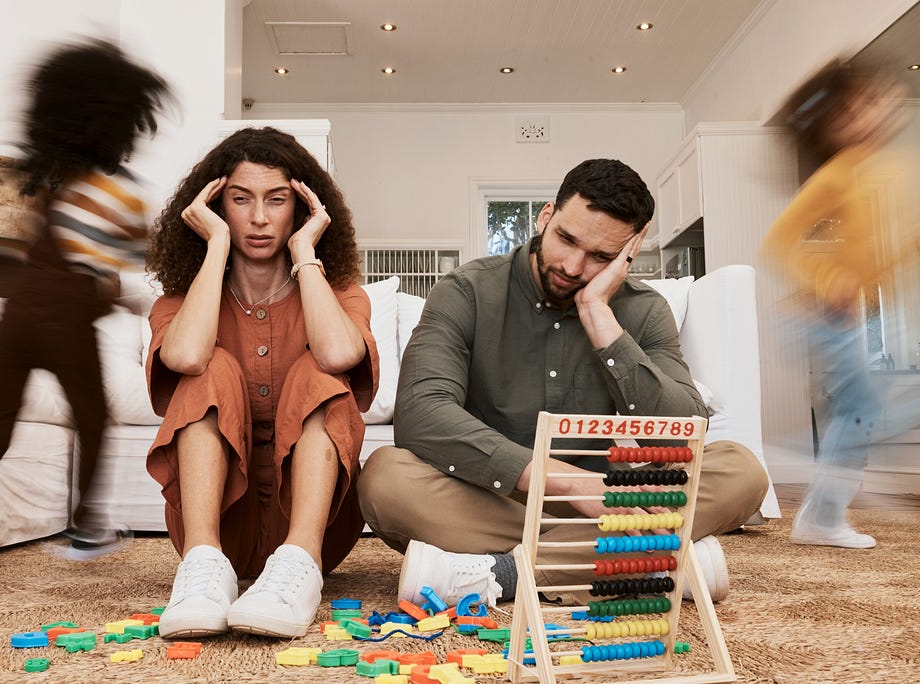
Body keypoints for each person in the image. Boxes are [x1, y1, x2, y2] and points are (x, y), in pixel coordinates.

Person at [359, 158, 770, 609]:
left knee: (741, 470)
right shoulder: (466, 291)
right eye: (567, 240)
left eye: (601, 257)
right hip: (494, 499)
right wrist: (570, 484)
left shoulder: (644, 311)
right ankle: (647, 563)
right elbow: (421, 412)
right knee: (384, 477)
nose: (574, 267)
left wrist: (600, 320)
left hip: (614, 502)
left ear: (628, 255)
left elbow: (687, 427)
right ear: (546, 215)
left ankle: (502, 575)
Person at [0, 39, 171, 593]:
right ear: (119, 123)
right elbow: (98, 276)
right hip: (64, 322)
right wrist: (134, 296)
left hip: (14, 318)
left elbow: (29, 260)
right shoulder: (118, 195)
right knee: (93, 419)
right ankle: (89, 525)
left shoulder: (47, 182)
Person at [143, 127, 377, 639]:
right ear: (213, 205)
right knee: (210, 365)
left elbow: (339, 353)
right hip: (220, 522)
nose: (258, 217)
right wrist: (216, 248)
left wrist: (305, 251)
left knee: (320, 368)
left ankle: (298, 565)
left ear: (301, 207)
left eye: (277, 200)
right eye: (240, 199)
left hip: (314, 526)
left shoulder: (340, 295)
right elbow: (183, 355)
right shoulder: (181, 302)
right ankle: (204, 569)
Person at [761, 58, 916, 548]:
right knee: (863, 406)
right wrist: (828, 277)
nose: (874, 112)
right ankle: (815, 499)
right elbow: (780, 242)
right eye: (859, 106)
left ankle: (823, 501)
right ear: (836, 122)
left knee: (863, 409)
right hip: (812, 313)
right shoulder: (835, 175)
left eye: (877, 101)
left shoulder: (882, 171)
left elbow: (892, 246)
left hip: (843, 317)